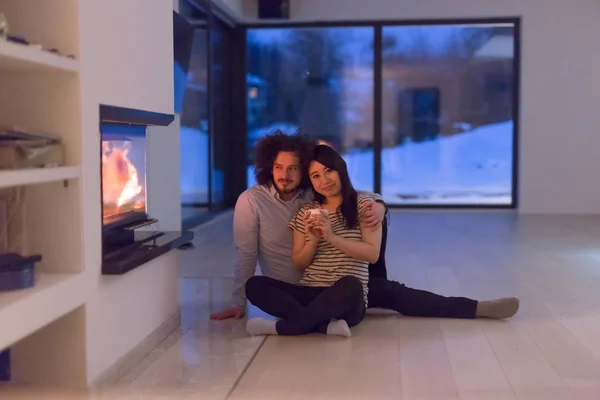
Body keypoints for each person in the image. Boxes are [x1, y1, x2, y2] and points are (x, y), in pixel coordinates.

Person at [209, 131, 519, 322]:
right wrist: (238, 302)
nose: (285, 174)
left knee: (396, 293)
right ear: (267, 167)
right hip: (299, 289)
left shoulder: (310, 193)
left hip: (345, 280)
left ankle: (476, 308)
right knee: (256, 288)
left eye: (293, 168)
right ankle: (315, 320)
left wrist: (380, 206)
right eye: (278, 167)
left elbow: (352, 193)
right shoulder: (253, 201)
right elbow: (246, 255)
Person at [244, 144, 382, 337]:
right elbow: (298, 263)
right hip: (309, 292)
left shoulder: (364, 206)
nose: (324, 180)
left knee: (351, 285)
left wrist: (331, 237)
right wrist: (313, 240)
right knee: (254, 285)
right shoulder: (305, 212)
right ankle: (323, 326)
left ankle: (282, 328)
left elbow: (372, 254)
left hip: (347, 296)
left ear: (340, 169)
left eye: (328, 171)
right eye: (316, 176)